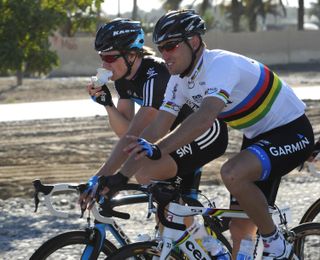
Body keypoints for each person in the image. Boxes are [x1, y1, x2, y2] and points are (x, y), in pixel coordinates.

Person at [96, 10, 314, 259]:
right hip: (258, 136)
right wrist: (120, 176)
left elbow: (204, 118)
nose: (165, 54)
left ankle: (277, 245)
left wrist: (159, 149)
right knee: (240, 227)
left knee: (232, 172)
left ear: (195, 42)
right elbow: (157, 127)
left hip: (292, 132)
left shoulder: (220, 65)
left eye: (171, 46)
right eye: (161, 48)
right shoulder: (179, 80)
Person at [80, 18, 228, 214]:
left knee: (144, 171)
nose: (105, 65)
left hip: (205, 133)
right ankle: (190, 235)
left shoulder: (156, 76)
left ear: (131, 55)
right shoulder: (123, 80)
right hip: (172, 137)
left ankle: (197, 235)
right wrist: (108, 105)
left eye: (110, 58)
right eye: (102, 58)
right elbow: (126, 131)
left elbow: (133, 136)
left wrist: (99, 177)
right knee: (164, 217)